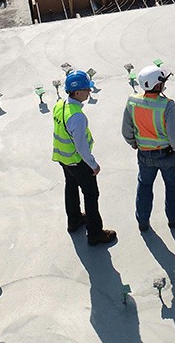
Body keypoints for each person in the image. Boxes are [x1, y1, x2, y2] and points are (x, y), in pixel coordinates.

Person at [53, 70, 117, 246]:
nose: (90, 92)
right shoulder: (77, 117)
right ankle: (95, 233)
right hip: (77, 161)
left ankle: (74, 221)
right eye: (87, 89)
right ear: (78, 92)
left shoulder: (60, 105)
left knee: (71, 187)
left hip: (63, 158)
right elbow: (81, 146)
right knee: (91, 194)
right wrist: (93, 164)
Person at [122, 65, 175, 231]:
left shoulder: (132, 101)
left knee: (144, 187)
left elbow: (126, 130)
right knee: (172, 187)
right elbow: (174, 135)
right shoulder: (167, 105)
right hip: (168, 156)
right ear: (157, 85)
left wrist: (134, 143)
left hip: (144, 155)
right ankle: (173, 219)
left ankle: (143, 222)